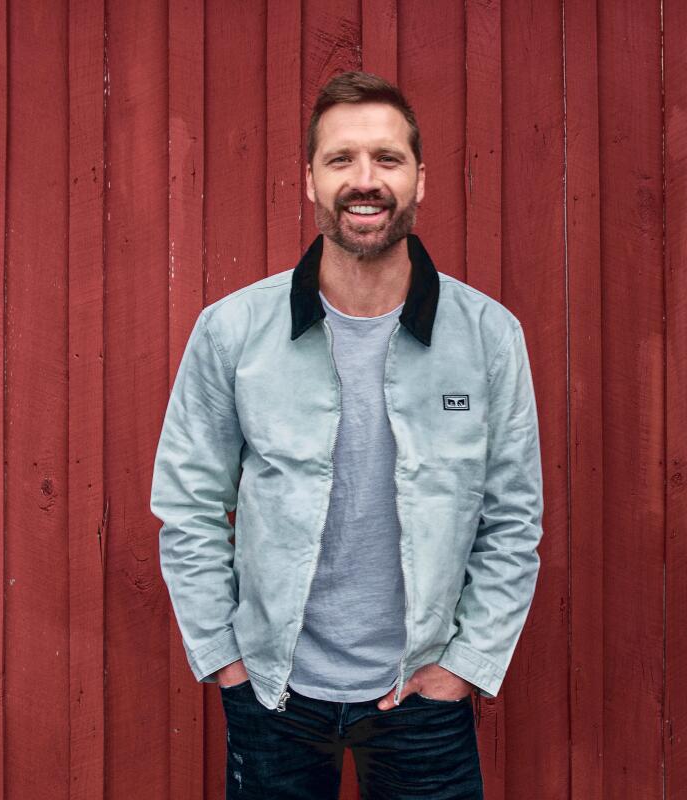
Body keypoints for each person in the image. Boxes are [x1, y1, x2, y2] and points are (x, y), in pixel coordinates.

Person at [150, 71, 544, 799]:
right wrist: (227, 664)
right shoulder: (235, 332)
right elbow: (188, 505)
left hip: (423, 697)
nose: (366, 180)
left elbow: (512, 521)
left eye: (388, 159)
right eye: (341, 160)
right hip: (275, 697)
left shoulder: (488, 337)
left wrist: (466, 667)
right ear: (309, 180)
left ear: (421, 179)